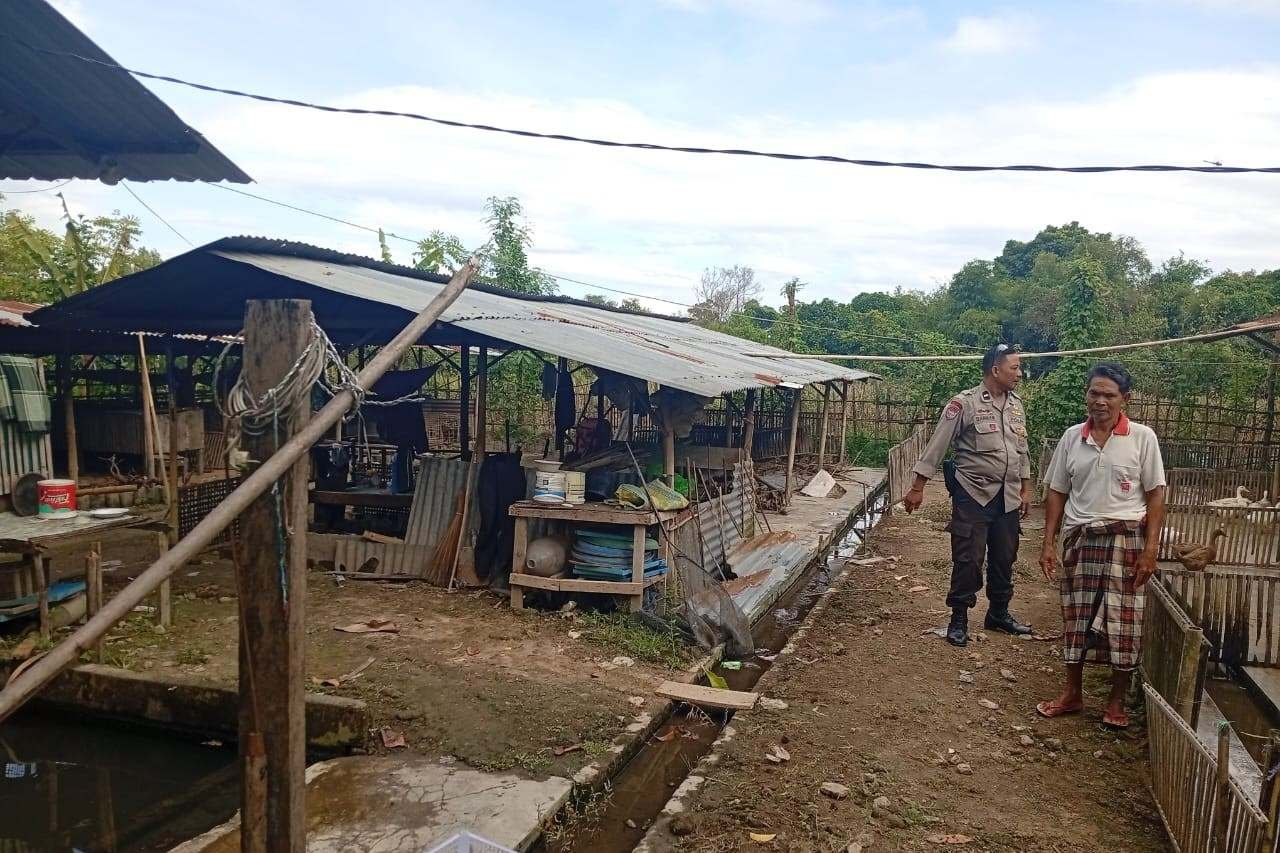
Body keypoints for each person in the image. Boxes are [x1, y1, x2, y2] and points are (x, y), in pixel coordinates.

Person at [1036, 362, 1166, 729]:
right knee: (1075, 619)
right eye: (1094, 393)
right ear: (1086, 396)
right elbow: (1057, 491)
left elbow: (1156, 496)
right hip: (1081, 540)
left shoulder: (1143, 438)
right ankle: (1072, 694)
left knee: (1125, 624)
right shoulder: (1071, 438)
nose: (1100, 401)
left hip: (1127, 543)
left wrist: (1151, 549)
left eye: (1109, 395)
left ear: (1124, 399)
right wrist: (1048, 542)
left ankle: (1115, 702)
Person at [905, 343, 1033, 646]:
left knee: (1005, 557)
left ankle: (998, 614)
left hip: (1008, 497)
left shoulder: (1016, 405)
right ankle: (959, 618)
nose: (1019, 374)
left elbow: (1022, 449)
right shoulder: (965, 404)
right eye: (1014, 368)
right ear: (995, 370)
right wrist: (918, 486)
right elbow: (938, 445)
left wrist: (1026, 488)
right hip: (974, 495)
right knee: (968, 559)